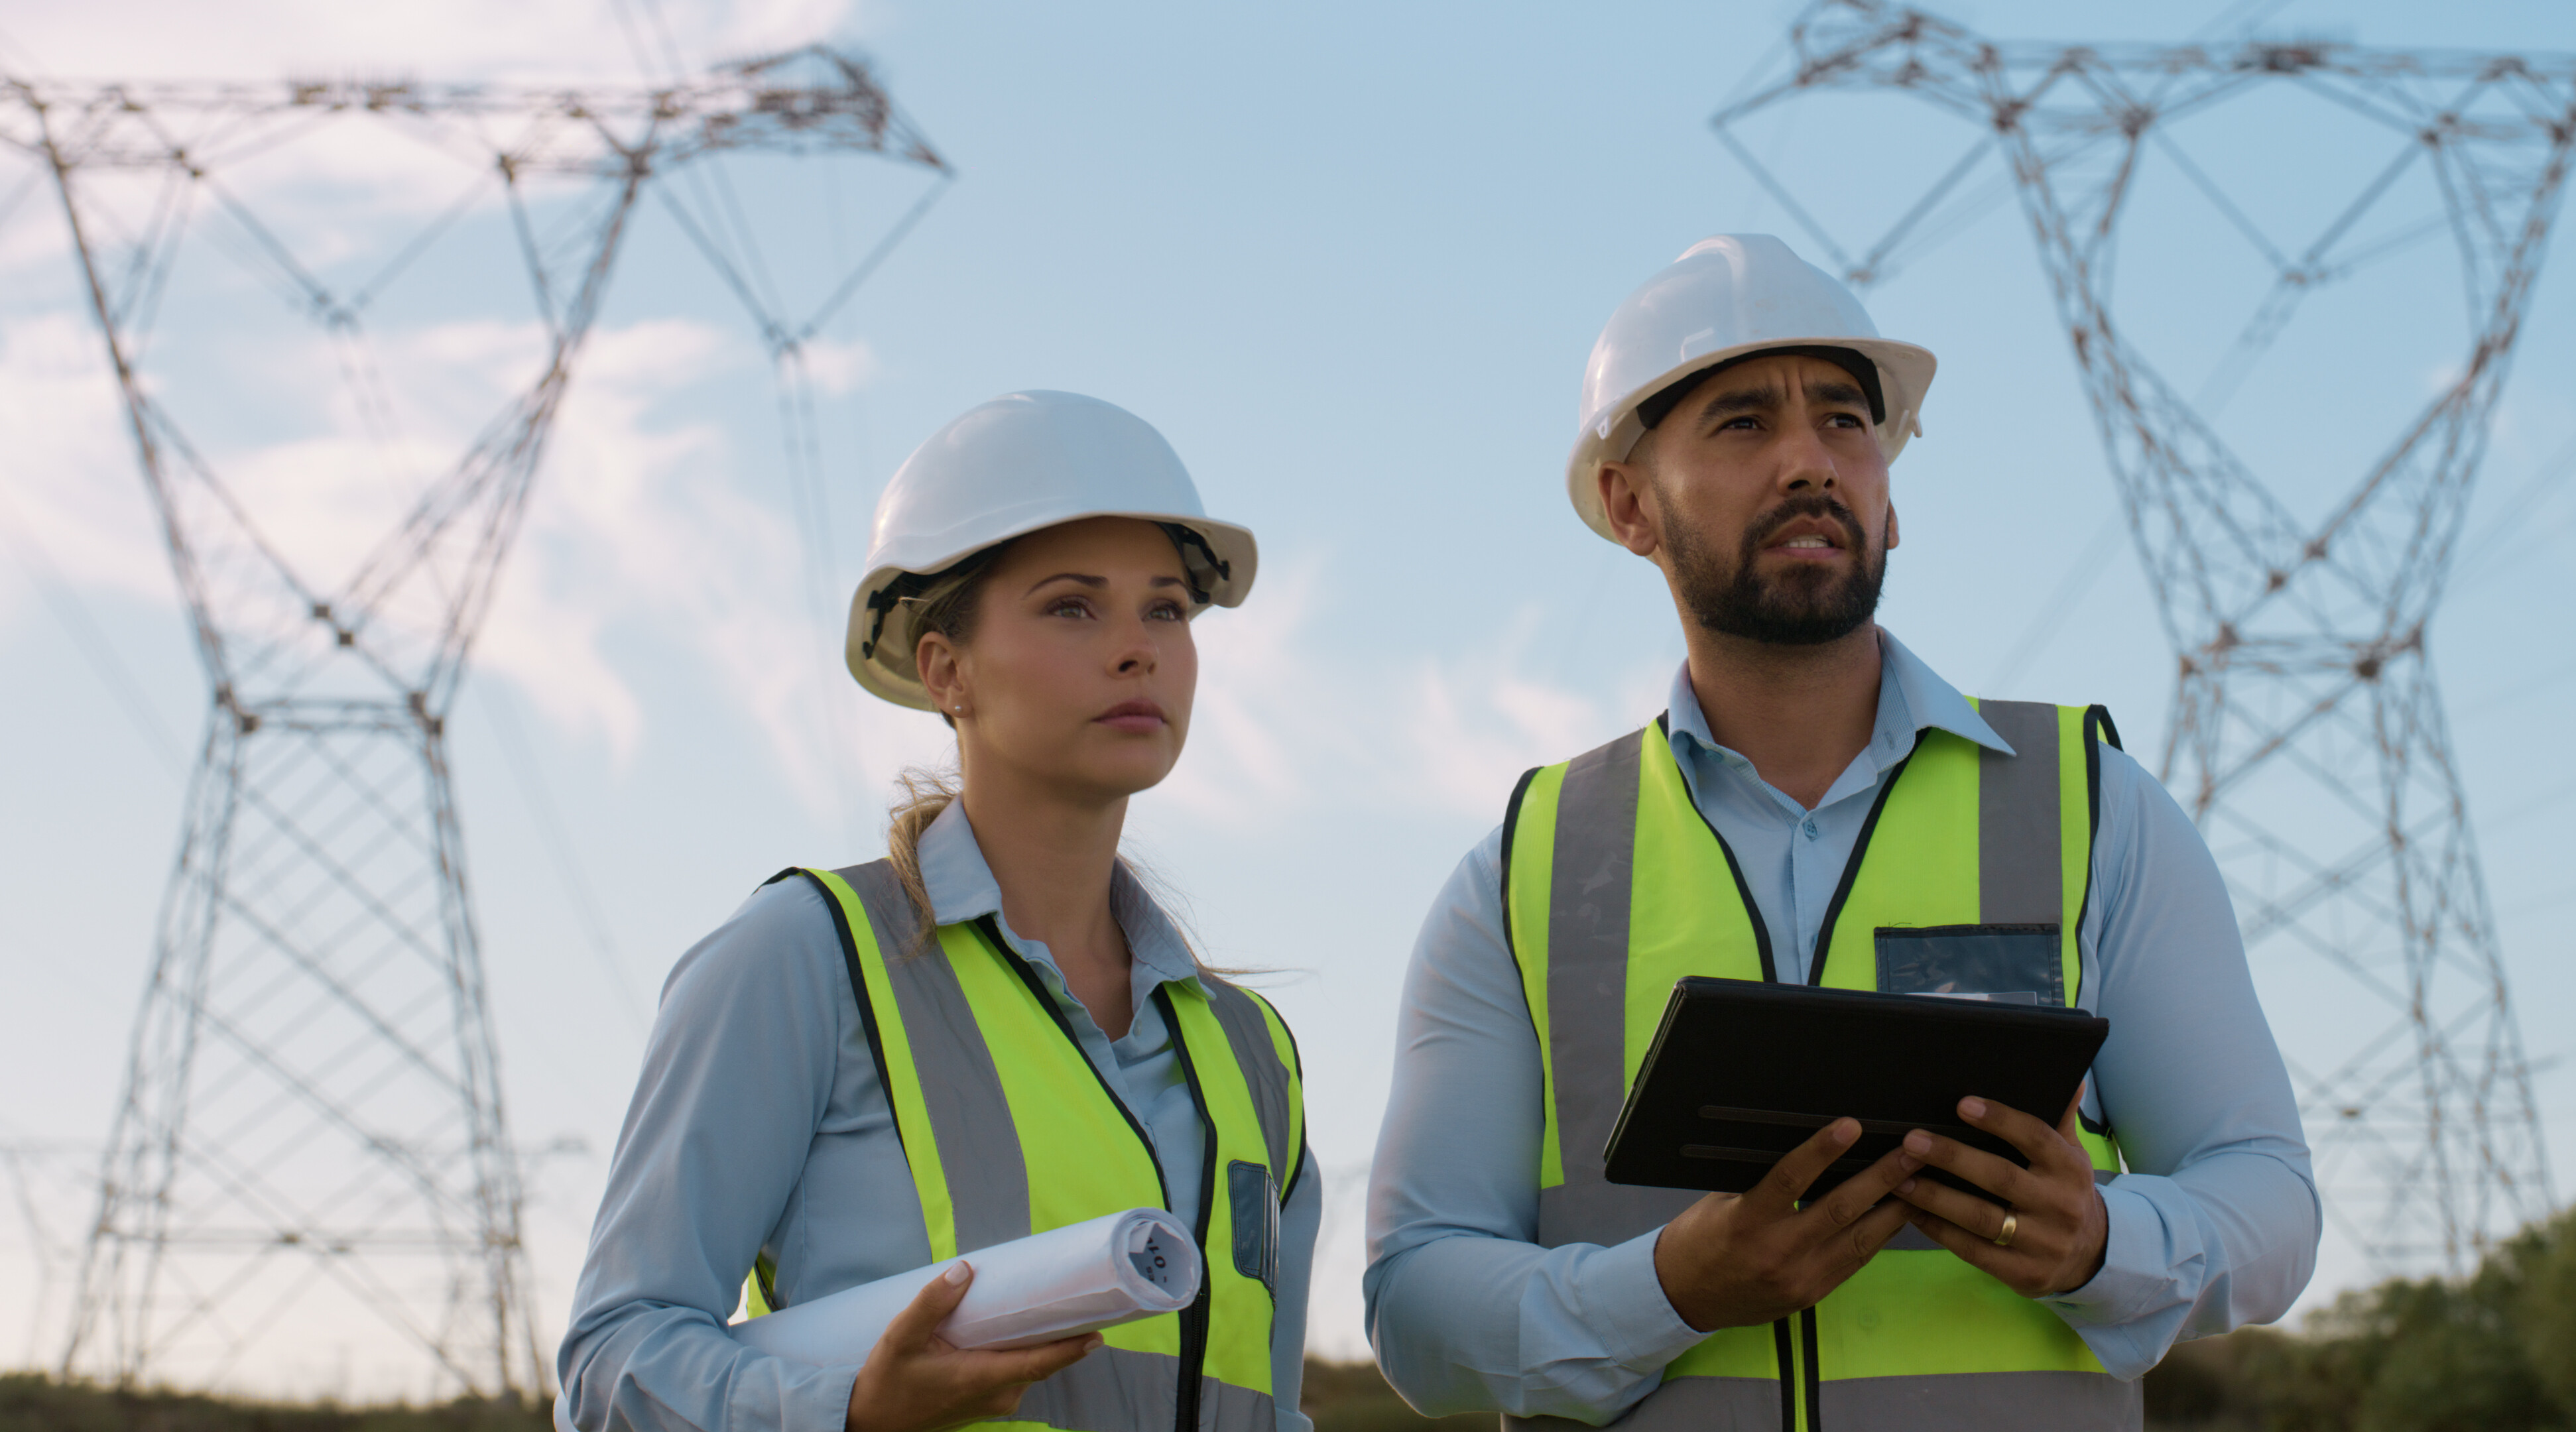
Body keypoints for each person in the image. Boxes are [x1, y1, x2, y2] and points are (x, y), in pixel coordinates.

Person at [1363, 237, 2318, 1430]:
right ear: (1626, 506)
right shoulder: (1526, 869)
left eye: (1844, 423)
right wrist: (1668, 1292)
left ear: (1888, 495)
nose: (1809, 462)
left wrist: (2102, 1240)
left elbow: (2269, 1205)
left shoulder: (2094, 808)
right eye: (1741, 425)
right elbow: (1415, 1306)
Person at [558, 390, 1318, 1432]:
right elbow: (610, 1369)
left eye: (1167, 609)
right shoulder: (803, 960)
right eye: (1071, 606)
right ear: (944, 670)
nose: (1138, 648)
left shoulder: (1252, 1055)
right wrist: (851, 1411)